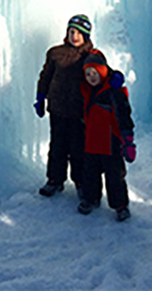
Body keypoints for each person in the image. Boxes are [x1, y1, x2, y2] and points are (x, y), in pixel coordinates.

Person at [34, 14, 97, 197]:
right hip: (58, 108)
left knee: (78, 148)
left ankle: (80, 182)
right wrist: (40, 97)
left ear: (86, 35)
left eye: (78, 32)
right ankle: (55, 180)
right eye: (71, 31)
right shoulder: (55, 53)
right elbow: (45, 76)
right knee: (57, 147)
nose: (74, 36)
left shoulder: (91, 56)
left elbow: (100, 77)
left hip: (79, 111)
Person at [78, 50, 136, 221]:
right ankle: (90, 199)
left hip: (111, 143)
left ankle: (120, 205)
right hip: (92, 143)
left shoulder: (114, 92)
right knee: (90, 174)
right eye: (88, 74)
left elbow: (124, 116)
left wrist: (128, 140)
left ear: (103, 72)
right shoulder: (88, 91)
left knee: (115, 176)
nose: (91, 77)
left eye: (94, 72)